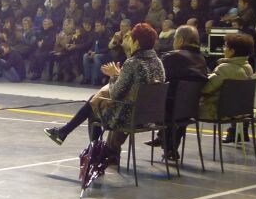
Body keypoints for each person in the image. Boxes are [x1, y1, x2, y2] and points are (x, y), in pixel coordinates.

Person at [43, 23, 165, 159]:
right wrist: (120, 75)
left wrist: (114, 75)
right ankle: (66, 133)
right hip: (148, 116)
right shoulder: (158, 62)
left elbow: (116, 94)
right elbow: (138, 86)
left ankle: (95, 151)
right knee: (95, 100)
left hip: (128, 116)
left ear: (136, 42)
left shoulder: (133, 63)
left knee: (94, 108)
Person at [146, 25, 209, 161]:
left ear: (180, 40)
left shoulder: (172, 57)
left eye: (174, 39)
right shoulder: (201, 59)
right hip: (190, 109)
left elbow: (156, 76)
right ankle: (168, 143)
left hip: (168, 109)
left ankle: (164, 139)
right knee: (179, 102)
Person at [198, 33, 254, 143]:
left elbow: (206, 89)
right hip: (238, 111)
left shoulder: (225, 68)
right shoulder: (248, 67)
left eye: (225, 46)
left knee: (181, 110)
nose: (224, 49)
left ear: (232, 51)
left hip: (216, 111)